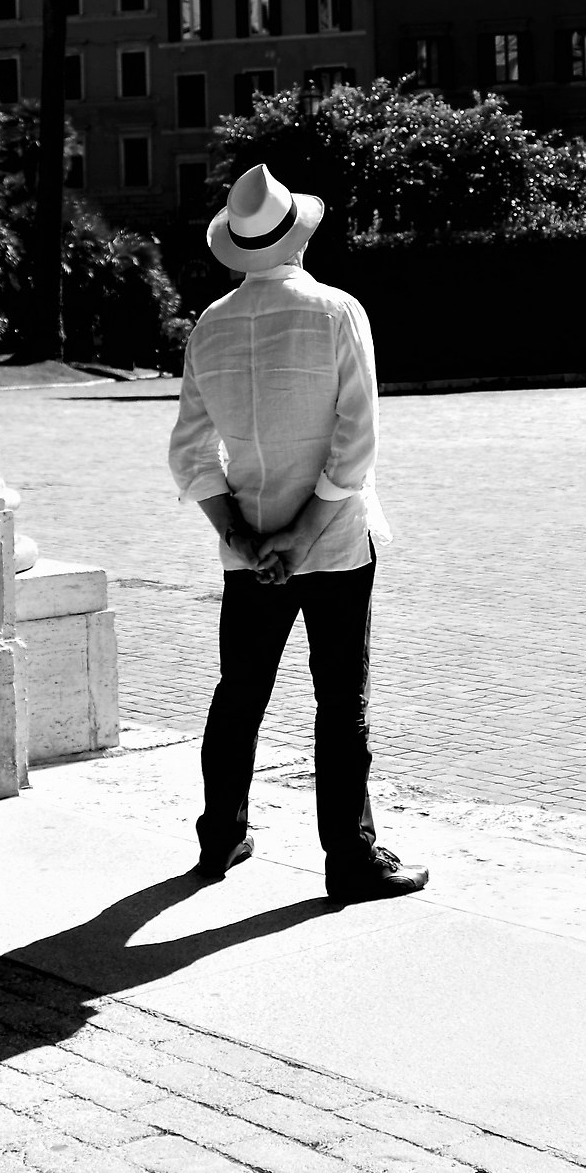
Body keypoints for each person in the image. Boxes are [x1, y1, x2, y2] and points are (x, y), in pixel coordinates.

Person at [168, 161, 428, 904]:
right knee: (339, 700)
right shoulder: (337, 311)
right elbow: (355, 441)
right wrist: (304, 533)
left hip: (248, 544)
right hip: (335, 541)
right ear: (298, 238)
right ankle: (349, 856)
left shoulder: (210, 325)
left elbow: (189, 454)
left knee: (239, 692)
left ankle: (220, 835)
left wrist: (246, 538)